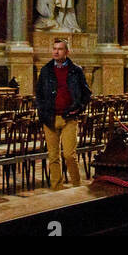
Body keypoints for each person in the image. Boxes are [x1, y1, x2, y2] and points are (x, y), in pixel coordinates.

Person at [34, 38, 92, 188]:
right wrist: (42, 112)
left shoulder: (76, 70)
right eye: (54, 48)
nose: (56, 51)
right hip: (50, 117)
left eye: (59, 49)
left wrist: (78, 108)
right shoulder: (46, 70)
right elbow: (39, 94)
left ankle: (76, 185)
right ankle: (56, 186)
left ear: (67, 52)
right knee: (53, 156)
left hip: (69, 117)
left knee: (69, 155)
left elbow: (86, 94)